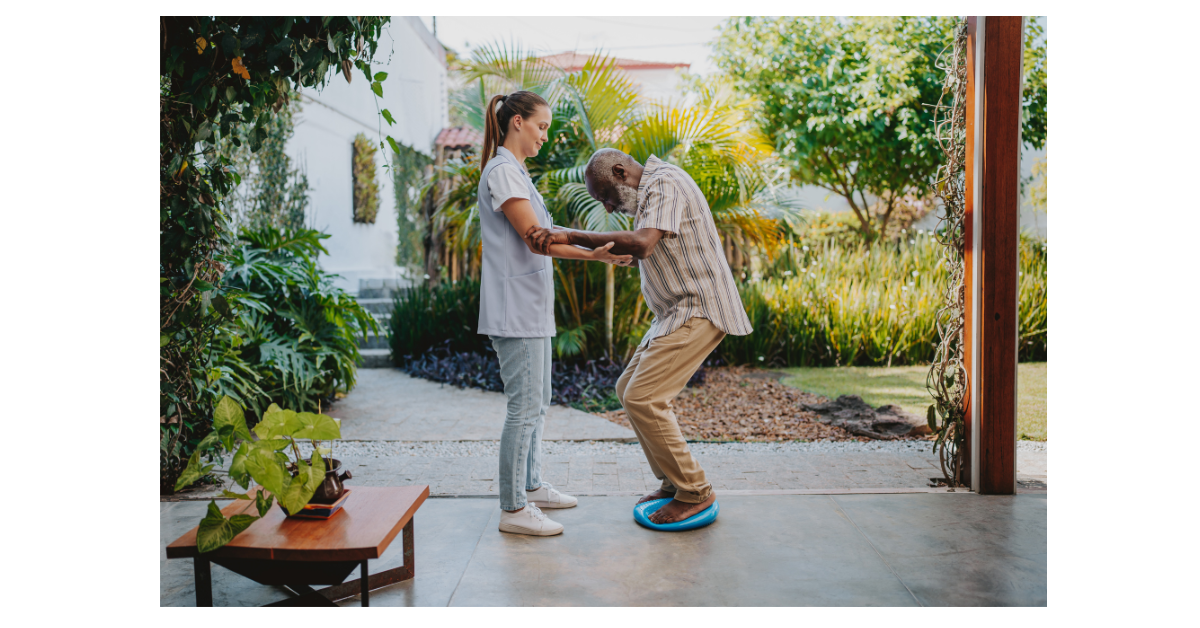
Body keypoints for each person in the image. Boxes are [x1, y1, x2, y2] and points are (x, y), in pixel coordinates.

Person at [529, 148, 752, 524]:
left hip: (699, 306)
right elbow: (643, 249)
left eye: (606, 197)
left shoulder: (664, 183)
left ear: (620, 172)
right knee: (626, 389)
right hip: (675, 312)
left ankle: (695, 490)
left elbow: (644, 243)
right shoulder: (651, 193)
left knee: (644, 397)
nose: (611, 208)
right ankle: (671, 481)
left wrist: (569, 234)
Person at [477, 93, 633, 536]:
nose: (546, 135)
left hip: (529, 307)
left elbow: (545, 234)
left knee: (538, 402)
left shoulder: (517, 172)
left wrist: (595, 246)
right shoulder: (504, 171)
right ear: (518, 123)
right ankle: (512, 509)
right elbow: (534, 239)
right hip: (515, 310)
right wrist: (596, 256)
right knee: (523, 408)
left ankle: (531, 485)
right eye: (542, 126)